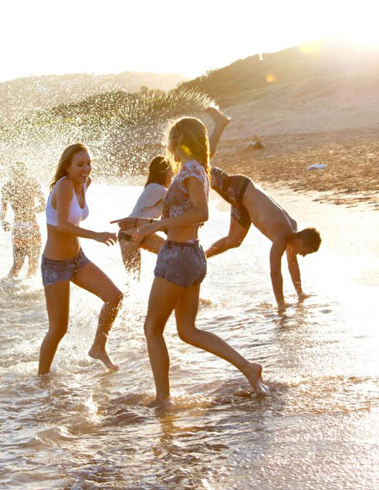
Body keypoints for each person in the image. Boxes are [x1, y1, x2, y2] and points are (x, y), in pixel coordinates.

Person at [131, 117, 269, 406]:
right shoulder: (195, 169)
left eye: (171, 139)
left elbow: (201, 213)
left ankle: (163, 399)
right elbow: (183, 213)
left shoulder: (191, 171)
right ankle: (248, 367)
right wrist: (141, 222)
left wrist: (152, 228)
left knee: (152, 329)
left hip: (179, 255)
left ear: (181, 140)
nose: (168, 146)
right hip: (190, 253)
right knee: (187, 330)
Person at [112, 107, 231, 281]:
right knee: (133, 280)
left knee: (169, 261)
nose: (173, 172)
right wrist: (151, 224)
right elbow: (199, 165)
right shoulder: (158, 189)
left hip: (143, 231)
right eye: (170, 170)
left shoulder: (180, 178)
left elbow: (200, 162)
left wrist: (151, 224)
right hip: (132, 234)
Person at [39, 143, 123, 374]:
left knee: (114, 297)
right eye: (80, 164)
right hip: (55, 264)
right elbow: (64, 225)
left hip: (78, 259)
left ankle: (98, 347)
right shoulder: (64, 185)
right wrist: (96, 235)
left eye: (88, 163)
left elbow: (74, 216)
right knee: (58, 329)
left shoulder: (84, 183)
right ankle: (41, 378)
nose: (86, 168)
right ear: (67, 167)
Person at [206, 168, 321, 309]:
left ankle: (201, 257)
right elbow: (275, 272)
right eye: (306, 251)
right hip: (239, 188)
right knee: (202, 172)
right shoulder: (283, 236)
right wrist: (281, 304)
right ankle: (192, 159)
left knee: (234, 241)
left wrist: (300, 294)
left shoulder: (293, 234)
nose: (303, 255)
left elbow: (293, 265)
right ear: (300, 241)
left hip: (244, 206)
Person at [0, 161, 46, 278]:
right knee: (32, 263)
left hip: (18, 227)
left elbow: (3, 210)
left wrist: (3, 221)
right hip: (31, 226)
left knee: (18, 263)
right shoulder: (32, 183)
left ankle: (7, 287)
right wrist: (32, 211)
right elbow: (43, 204)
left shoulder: (8, 187)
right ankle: (27, 291)